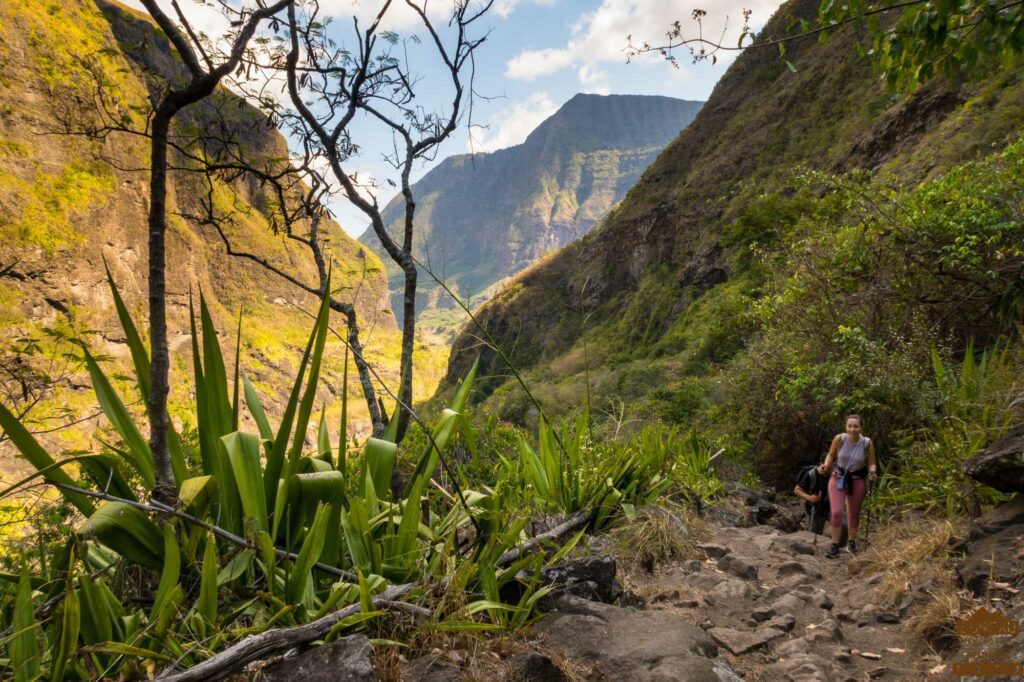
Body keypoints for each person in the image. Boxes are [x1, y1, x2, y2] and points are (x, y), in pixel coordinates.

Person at [819, 414, 878, 558]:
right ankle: (835, 545)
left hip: (857, 480)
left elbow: (871, 462)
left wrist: (872, 472)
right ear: (846, 427)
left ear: (861, 428)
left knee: (854, 513)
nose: (852, 429)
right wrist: (826, 466)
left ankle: (851, 542)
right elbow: (831, 455)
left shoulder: (867, 443)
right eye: (850, 426)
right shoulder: (840, 439)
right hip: (838, 478)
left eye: (856, 426)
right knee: (836, 512)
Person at [794, 455, 830, 536]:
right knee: (814, 533)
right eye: (829, 465)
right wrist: (809, 497)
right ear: (821, 463)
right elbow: (797, 490)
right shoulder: (811, 474)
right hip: (814, 507)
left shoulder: (833, 475)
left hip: (828, 507)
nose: (831, 467)